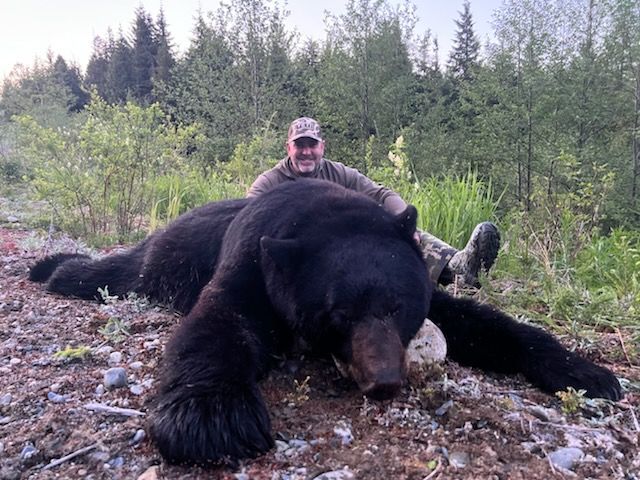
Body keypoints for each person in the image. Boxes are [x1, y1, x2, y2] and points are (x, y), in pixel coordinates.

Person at [248, 117, 500, 287]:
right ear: (288, 148)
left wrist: (406, 225)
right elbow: (245, 218)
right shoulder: (270, 182)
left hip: (346, 246)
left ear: (322, 147)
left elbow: (383, 195)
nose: (306, 152)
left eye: (311, 145)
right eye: (299, 145)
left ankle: (457, 268)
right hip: (299, 257)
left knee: (394, 227)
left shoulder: (339, 173)